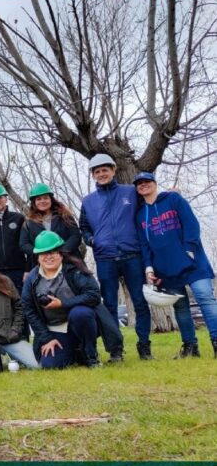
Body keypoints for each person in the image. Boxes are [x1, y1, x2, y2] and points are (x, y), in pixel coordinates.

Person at [134, 172, 217, 359]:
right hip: (166, 268)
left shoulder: (173, 199)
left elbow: (191, 224)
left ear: (155, 183)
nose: (143, 185)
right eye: (139, 183)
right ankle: (190, 347)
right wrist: (149, 267)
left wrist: (189, 249)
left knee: (205, 298)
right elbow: (144, 244)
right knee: (180, 307)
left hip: (193, 262)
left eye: (147, 181)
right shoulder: (140, 215)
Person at [79, 153, 153, 360]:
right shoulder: (88, 201)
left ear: (113, 170)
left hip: (132, 255)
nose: (102, 174)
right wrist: (92, 240)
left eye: (105, 170)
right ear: (93, 175)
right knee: (109, 305)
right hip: (105, 259)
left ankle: (144, 346)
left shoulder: (130, 192)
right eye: (97, 171)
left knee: (140, 302)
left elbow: (148, 208)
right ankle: (115, 350)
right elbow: (83, 228)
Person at [22, 231, 106, 369]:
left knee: (80, 313)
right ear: (38, 257)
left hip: (80, 323)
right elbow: (29, 310)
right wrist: (47, 338)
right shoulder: (31, 279)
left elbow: (94, 295)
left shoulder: (75, 270)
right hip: (55, 329)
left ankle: (91, 354)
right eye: (43, 253)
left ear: (61, 254)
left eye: (52, 252)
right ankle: (76, 352)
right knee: (50, 365)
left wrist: (63, 304)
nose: (48, 257)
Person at [20, 182, 83, 269]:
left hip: (69, 261)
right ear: (34, 202)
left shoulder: (64, 216)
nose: (42, 201)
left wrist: (62, 252)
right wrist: (41, 253)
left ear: (51, 199)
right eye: (38, 199)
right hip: (43, 265)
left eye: (45, 198)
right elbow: (24, 244)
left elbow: (75, 236)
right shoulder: (29, 223)